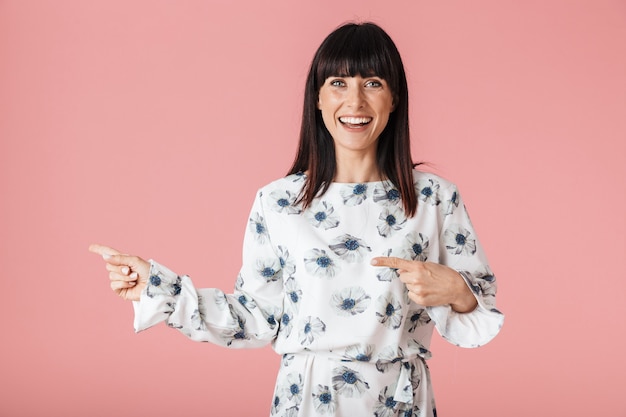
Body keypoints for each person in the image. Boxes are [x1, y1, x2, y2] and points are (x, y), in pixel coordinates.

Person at [90, 22, 503, 417]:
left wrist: (456, 290)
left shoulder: (434, 199)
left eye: (373, 83)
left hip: (399, 399)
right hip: (307, 398)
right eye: (338, 83)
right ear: (318, 98)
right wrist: (159, 288)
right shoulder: (279, 202)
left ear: (394, 98)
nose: (355, 102)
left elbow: (480, 308)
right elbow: (255, 317)